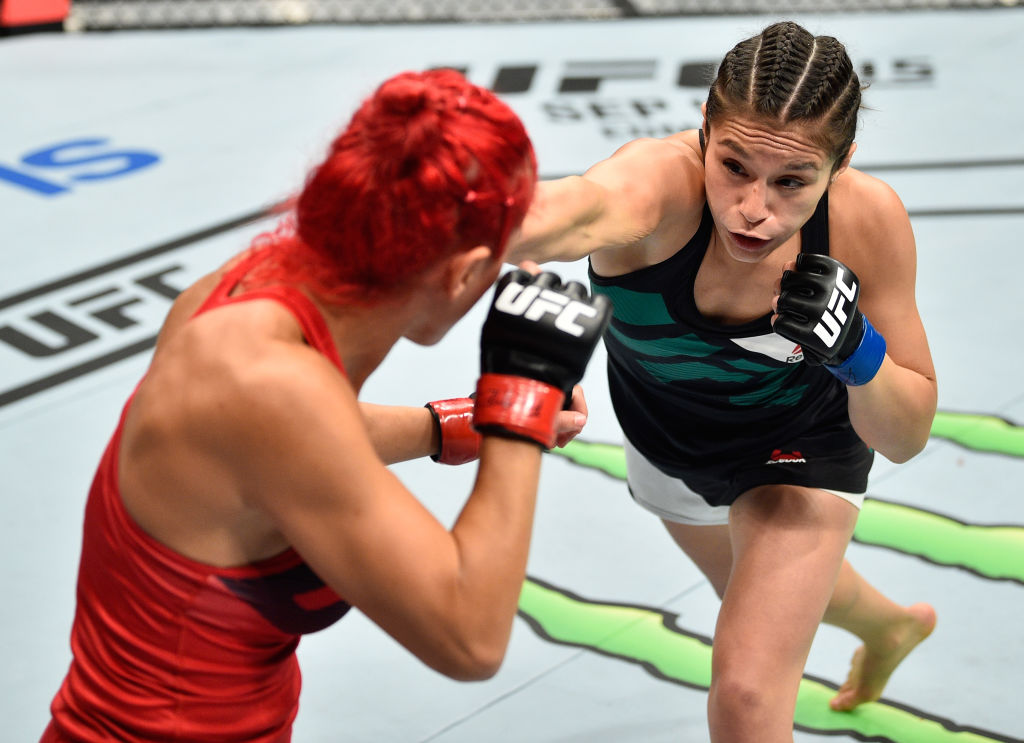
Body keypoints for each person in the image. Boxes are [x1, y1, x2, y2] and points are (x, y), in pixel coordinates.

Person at [41, 68, 611, 743]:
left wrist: (458, 423)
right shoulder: (271, 389)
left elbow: (295, 448)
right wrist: (522, 395)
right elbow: (471, 638)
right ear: (464, 272)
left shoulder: (253, 296)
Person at [505, 20, 938, 743]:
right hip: (667, 441)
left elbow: (908, 434)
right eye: (734, 165)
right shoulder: (654, 185)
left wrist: (858, 350)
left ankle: (885, 625)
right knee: (764, 593)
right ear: (704, 124)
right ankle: (891, 626)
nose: (755, 208)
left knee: (745, 693)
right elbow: (544, 218)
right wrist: (530, 332)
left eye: (793, 181)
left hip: (805, 440)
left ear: (843, 163)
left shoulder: (866, 222)